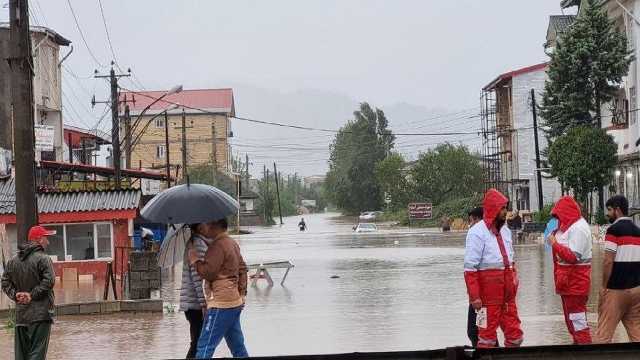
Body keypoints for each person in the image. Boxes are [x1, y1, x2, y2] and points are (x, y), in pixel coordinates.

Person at [464, 189, 523, 348]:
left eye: (505, 208)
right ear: (493, 209)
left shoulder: (505, 231)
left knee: (515, 334)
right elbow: (470, 269)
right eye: (502, 208)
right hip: (486, 298)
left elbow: (510, 261)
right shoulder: (476, 232)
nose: (505, 212)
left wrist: (514, 281)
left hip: (507, 294)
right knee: (485, 335)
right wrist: (474, 297)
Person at [189, 218, 249, 358]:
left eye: (207, 225)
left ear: (214, 226)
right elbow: (243, 269)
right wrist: (242, 293)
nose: (205, 229)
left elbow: (208, 273)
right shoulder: (232, 243)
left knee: (204, 346)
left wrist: (195, 261)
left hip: (221, 304)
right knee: (237, 346)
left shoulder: (217, 246)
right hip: (234, 301)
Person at [1, 225, 56, 360]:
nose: (47, 242)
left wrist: (15, 295)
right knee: (37, 354)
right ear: (38, 239)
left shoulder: (13, 261)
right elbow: (49, 281)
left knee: (21, 356)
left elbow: (5, 282)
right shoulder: (44, 258)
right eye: (45, 238)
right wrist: (31, 295)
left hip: (21, 316)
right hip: (41, 316)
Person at [593, 195, 640, 343]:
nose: (607, 214)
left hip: (616, 291)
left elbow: (608, 261)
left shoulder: (613, 230)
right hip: (636, 291)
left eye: (609, 210)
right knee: (636, 333)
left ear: (617, 210)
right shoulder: (638, 231)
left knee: (603, 336)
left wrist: (604, 287)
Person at [548, 196, 592, 344]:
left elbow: (573, 256)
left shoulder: (579, 228)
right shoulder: (568, 228)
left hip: (575, 285)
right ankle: (578, 346)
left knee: (578, 323)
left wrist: (554, 244)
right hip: (567, 284)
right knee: (572, 322)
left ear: (565, 214)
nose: (557, 220)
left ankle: (585, 351)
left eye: (558, 216)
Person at [179, 224, 210, 359]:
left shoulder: (192, 243)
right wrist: (204, 304)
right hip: (196, 304)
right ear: (201, 227)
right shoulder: (198, 244)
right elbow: (198, 278)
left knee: (197, 342)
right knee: (198, 343)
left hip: (191, 303)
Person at [466, 207, 483, 347]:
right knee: (479, 330)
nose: (470, 225)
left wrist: (475, 296)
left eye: (471, 221)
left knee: (476, 330)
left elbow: (470, 268)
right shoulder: (495, 233)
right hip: (479, 292)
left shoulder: (475, 233)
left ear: (477, 220)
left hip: (480, 294)